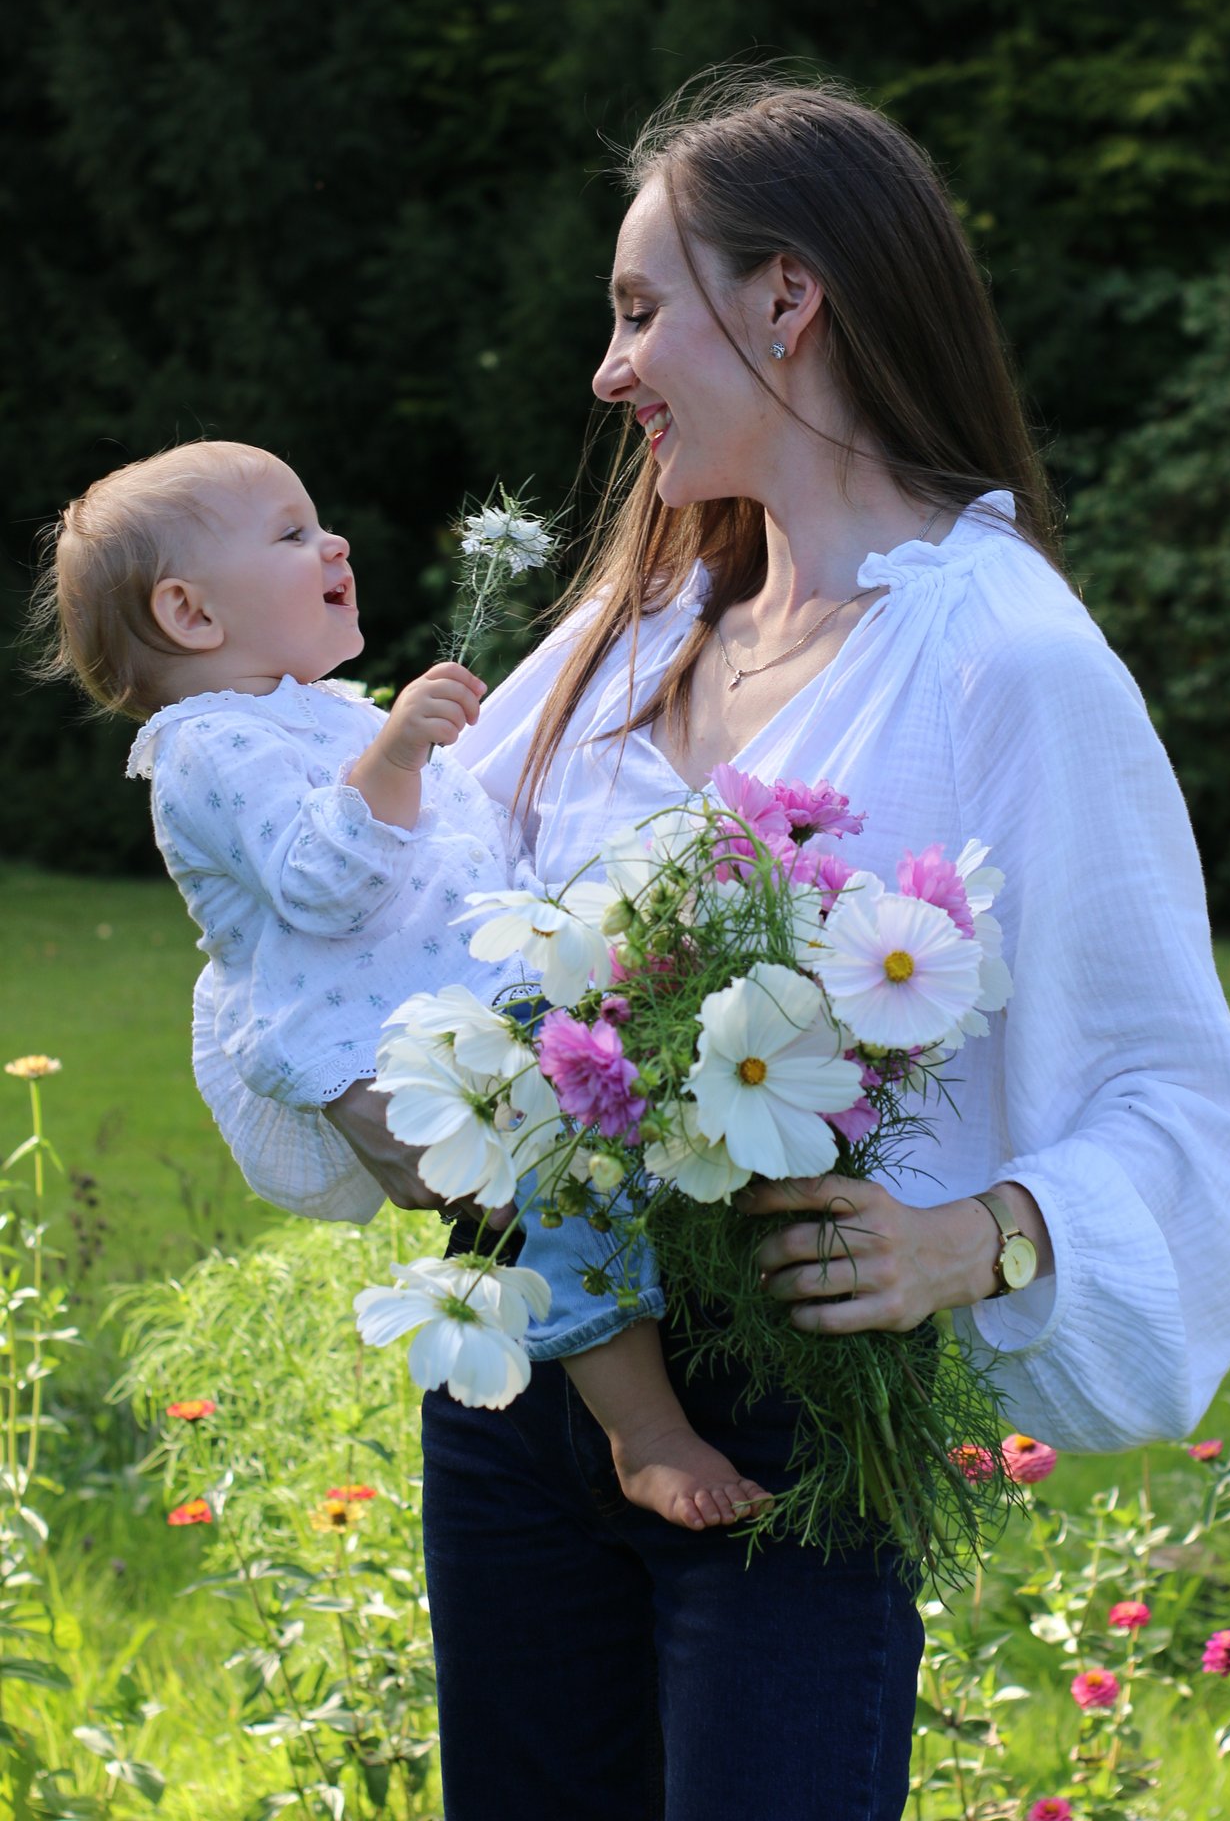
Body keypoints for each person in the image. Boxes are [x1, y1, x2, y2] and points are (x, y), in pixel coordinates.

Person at [304, 73, 1230, 1820]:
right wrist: (393, 1088)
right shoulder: (632, 637)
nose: (607, 370)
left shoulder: (1006, 662)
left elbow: (1187, 1102)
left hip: (791, 1418)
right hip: (524, 1375)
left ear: (788, 300)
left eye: (639, 310)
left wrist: (971, 1241)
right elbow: (385, 908)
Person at [30, 438, 771, 1531]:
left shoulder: (307, 711)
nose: (333, 543)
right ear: (190, 614)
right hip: (398, 1034)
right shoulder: (205, 748)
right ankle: (644, 1432)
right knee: (564, 1193)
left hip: (475, 1002)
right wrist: (396, 756)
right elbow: (320, 882)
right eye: (291, 534)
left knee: (612, 1141)